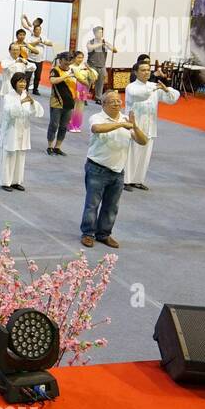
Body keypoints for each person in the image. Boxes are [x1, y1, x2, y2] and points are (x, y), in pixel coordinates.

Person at [80, 91, 148, 249]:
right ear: (103, 104)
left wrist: (135, 127)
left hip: (118, 171)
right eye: (113, 101)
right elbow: (97, 129)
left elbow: (143, 141)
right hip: (97, 168)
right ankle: (88, 233)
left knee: (111, 206)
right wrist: (121, 125)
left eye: (119, 101)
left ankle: (104, 234)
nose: (117, 103)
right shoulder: (97, 117)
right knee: (92, 204)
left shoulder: (126, 120)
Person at [123, 61, 179, 191]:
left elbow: (172, 99)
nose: (146, 72)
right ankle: (126, 180)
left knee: (145, 154)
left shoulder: (154, 85)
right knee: (132, 153)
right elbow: (140, 95)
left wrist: (166, 89)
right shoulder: (132, 87)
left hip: (150, 124)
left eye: (148, 70)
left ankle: (138, 180)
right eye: (143, 70)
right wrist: (155, 88)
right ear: (136, 72)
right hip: (135, 124)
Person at [0, 73, 44, 191]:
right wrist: (22, 102)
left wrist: (33, 102)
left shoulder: (26, 95)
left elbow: (37, 112)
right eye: (20, 81)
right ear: (14, 82)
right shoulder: (8, 96)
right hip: (11, 130)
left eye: (24, 82)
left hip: (24, 130)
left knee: (20, 156)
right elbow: (10, 113)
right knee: (9, 155)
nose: (22, 84)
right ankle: (5, 182)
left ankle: (16, 181)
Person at [46, 51, 76, 156]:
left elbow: (84, 82)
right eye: (66, 60)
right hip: (57, 103)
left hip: (70, 103)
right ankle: (49, 146)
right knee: (54, 125)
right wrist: (67, 76)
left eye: (70, 60)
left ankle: (57, 147)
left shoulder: (73, 71)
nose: (68, 62)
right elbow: (53, 81)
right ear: (61, 60)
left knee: (64, 126)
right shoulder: (55, 70)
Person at [86, 26, 116, 103]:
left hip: (102, 65)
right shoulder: (90, 42)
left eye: (102, 32)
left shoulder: (105, 42)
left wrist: (108, 45)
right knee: (88, 82)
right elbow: (90, 48)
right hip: (91, 65)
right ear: (94, 33)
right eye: (99, 32)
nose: (101, 33)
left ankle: (98, 98)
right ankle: (84, 98)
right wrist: (100, 44)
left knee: (100, 83)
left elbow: (115, 50)